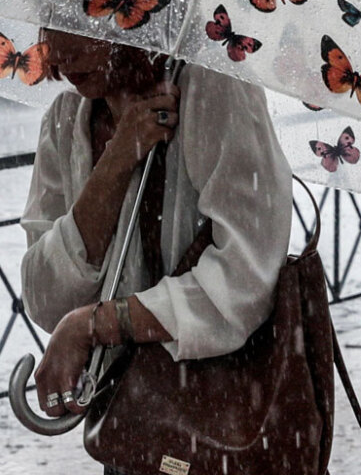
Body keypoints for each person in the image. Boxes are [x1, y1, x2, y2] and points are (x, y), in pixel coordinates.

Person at [19, 27, 293, 472]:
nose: (60, 49)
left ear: (133, 14)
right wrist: (117, 159)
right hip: (133, 428)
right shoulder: (67, 118)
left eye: (80, 20)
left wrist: (97, 324)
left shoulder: (213, 86)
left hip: (228, 421)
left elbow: (244, 278)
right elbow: (47, 296)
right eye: (50, 19)